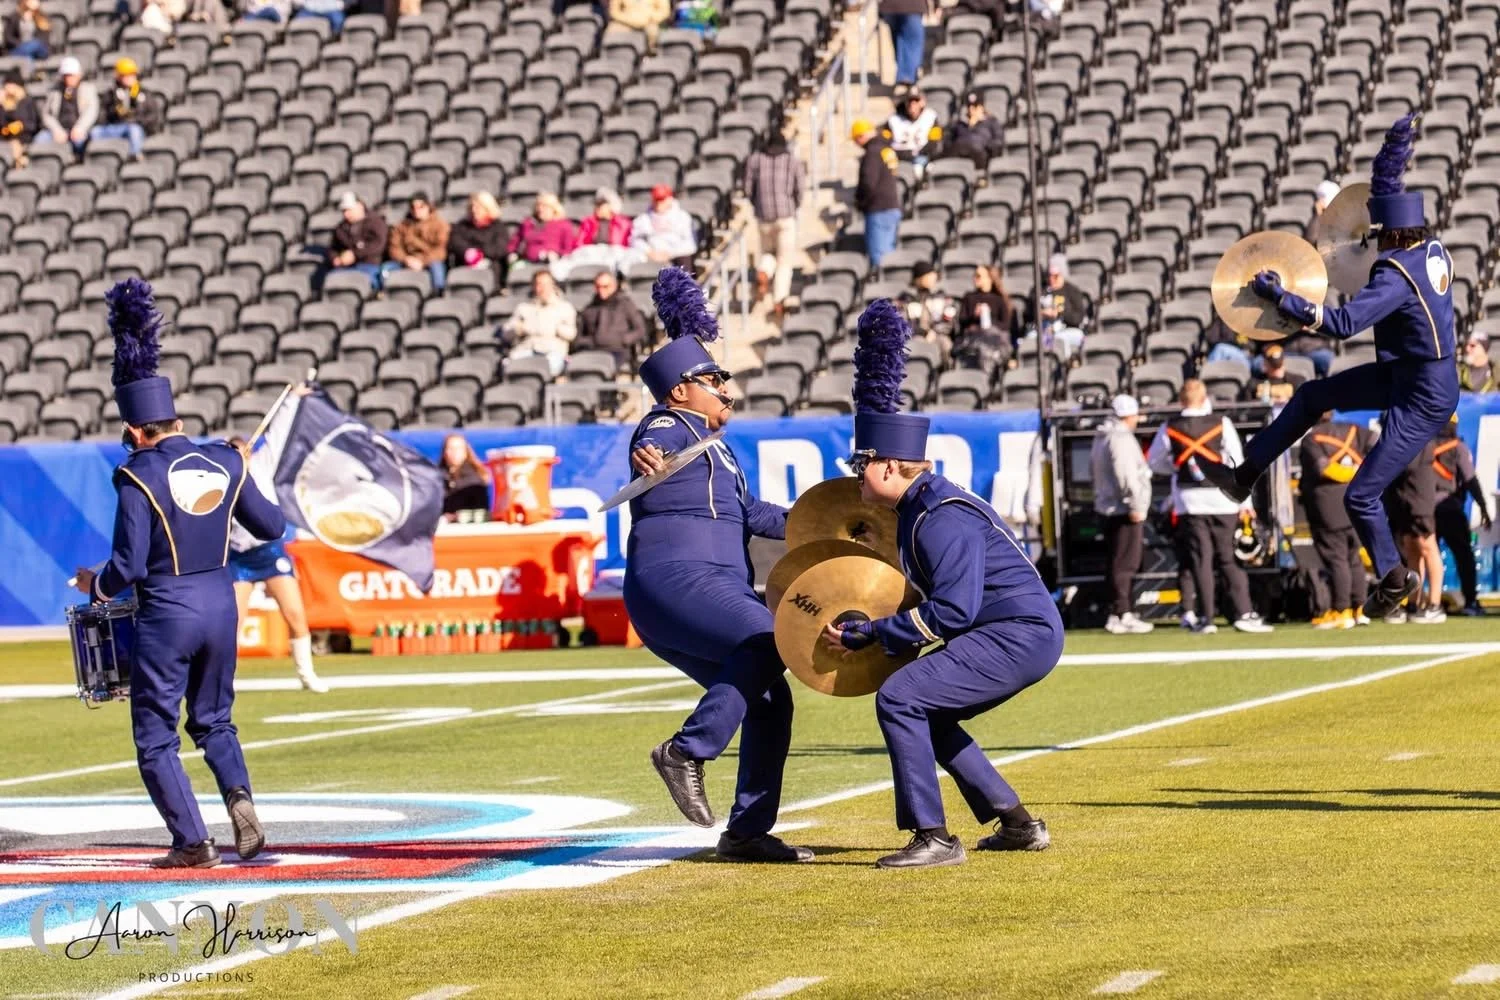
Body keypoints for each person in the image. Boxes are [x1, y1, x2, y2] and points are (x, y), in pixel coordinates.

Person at [824, 298, 1059, 869]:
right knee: (929, 709)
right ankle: (1017, 823)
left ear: (886, 467)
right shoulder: (919, 509)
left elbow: (952, 611)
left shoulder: (939, 515)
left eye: (860, 466)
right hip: (1013, 630)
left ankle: (933, 836)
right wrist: (873, 624)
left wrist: (877, 635)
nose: (855, 478)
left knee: (901, 697)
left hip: (1016, 632)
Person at [1198, 114, 1461, 622]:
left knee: (1362, 494)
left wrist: (1281, 297)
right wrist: (1394, 149)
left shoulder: (1395, 277)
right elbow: (1388, 191)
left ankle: (1393, 578)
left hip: (1422, 395)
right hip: (1411, 373)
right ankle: (1245, 473)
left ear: (1389, 234)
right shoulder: (1429, 248)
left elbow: (1340, 324)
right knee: (1311, 397)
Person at [72, 279, 285, 868]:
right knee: (216, 720)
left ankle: (193, 842)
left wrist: (95, 586)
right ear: (175, 417)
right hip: (221, 603)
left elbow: (128, 566)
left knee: (155, 736)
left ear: (136, 430)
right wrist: (247, 470)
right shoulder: (222, 457)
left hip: (167, 615)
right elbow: (273, 527)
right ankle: (239, 797)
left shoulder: (136, 472)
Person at [626, 266, 810, 864]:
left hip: (701, 587)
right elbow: (651, 448)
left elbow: (753, 513)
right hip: (678, 579)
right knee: (772, 636)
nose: (726, 389)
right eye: (714, 378)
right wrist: (647, 455)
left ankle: (747, 832)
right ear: (680, 389)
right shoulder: (668, 425)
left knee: (769, 700)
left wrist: (831, 522)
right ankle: (686, 751)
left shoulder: (720, 448)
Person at [1148, 379, 1274, 634]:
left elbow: (1154, 462)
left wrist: (1175, 469)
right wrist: (1246, 502)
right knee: (1229, 559)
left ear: (1181, 400)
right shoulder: (1221, 422)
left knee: (1200, 560)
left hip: (1189, 502)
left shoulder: (1169, 427)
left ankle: (1206, 618)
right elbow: (1239, 463)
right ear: (1205, 398)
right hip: (1223, 498)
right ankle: (1244, 613)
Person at [226, 431, 329, 694]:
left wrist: (292, 398)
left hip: (269, 552)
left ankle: (306, 673)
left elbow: (278, 433)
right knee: (232, 622)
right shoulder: (223, 480)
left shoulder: (262, 466)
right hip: (239, 555)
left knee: (295, 613)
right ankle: (225, 678)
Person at [1297, 412, 1374, 630]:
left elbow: (1325, 468)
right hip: (1355, 501)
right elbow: (1379, 445)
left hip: (1327, 504)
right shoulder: (1354, 430)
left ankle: (1342, 610)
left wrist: (1352, 473)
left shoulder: (1312, 438)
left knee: (1337, 558)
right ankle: (1360, 608)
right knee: (1353, 557)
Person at [1092, 394, 1154, 635]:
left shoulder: (1102, 435)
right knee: (1125, 563)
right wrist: (1135, 504)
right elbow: (1125, 475)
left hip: (1109, 506)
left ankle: (1118, 611)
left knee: (1117, 562)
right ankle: (1122, 613)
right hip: (1123, 509)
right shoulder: (1120, 438)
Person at [1432, 415, 1493, 616]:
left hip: (1423, 510)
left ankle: (1419, 603)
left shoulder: (1421, 447)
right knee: (1464, 556)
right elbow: (1470, 480)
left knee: (1422, 557)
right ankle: (1470, 601)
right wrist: (1483, 506)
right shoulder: (1457, 447)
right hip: (1450, 509)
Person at [743, 124, 805, 309]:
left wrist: (757, 205)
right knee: (785, 260)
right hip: (786, 216)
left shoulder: (754, 160)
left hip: (764, 216)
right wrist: (794, 206)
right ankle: (779, 298)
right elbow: (799, 189)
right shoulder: (792, 160)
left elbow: (747, 188)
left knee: (768, 253)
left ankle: (763, 272)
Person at [1384, 436, 1443, 624]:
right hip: (1405, 501)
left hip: (1419, 501)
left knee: (1428, 547)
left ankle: (1435, 604)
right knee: (1411, 550)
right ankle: (1413, 603)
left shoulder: (1421, 438)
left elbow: (1406, 465)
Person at [502, 269, 577, 376]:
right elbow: (506, 333)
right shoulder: (524, 308)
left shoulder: (564, 308)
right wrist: (520, 329)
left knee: (549, 367)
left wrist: (556, 328)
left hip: (552, 352)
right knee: (508, 365)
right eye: (539, 284)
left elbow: (572, 334)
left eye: (546, 284)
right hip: (526, 349)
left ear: (553, 285)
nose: (542, 288)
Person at [852, 117, 901, 268]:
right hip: (892, 206)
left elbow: (868, 182)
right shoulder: (886, 148)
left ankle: (883, 291)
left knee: (878, 258)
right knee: (889, 255)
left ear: (861, 136)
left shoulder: (872, 152)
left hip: (878, 209)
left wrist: (860, 201)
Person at [576, 268, 648, 367]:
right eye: (598, 287)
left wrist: (624, 340)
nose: (601, 290)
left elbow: (640, 330)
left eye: (605, 286)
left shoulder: (625, 304)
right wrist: (592, 341)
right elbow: (579, 337)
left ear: (614, 286)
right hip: (594, 351)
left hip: (618, 351)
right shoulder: (589, 308)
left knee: (607, 368)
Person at [1025, 253, 1088, 360]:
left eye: (1055, 276)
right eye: (1049, 275)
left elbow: (1078, 318)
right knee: (1029, 339)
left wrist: (1059, 312)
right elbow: (1028, 315)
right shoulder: (1039, 291)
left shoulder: (1072, 291)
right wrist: (1041, 313)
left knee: (1066, 339)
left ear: (1062, 274)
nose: (1051, 279)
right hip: (1042, 331)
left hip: (1066, 330)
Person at [383, 192, 450, 291]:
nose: (416, 210)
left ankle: (438, 293)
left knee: (437, 268)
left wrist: (422, 261)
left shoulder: (439, 225)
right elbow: (394, 247)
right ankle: (384, 293)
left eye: (421, 207)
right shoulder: (402, 226)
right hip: (407, 260)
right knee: (386, 269)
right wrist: (406, 259)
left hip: (429, 260)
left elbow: (440, 250)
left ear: (428, 207)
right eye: (413, 207)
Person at [89, 58, 151, 161]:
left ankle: (134, 156)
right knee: (95, 132)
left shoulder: (144, 94)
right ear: (119, 76)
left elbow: (152, 116)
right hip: (115, 126)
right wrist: (114, 110)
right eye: (126, 75)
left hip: (134, 126)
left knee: (134, 130)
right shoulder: (111, 94)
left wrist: (137, 120)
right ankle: (97, 158)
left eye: (131, 75)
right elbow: (103, 114)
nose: (129, 78)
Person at [953, 265, 1012, 370]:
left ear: (989, 278)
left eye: (979, 276)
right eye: (975, 275)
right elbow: (962, 321)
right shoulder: (969, 297)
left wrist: (989, 320)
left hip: (993, 338)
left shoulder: (999, 300)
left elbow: (1006, 325)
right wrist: (974, 316)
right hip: (973, 338)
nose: (975, 278)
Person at [37, 57, 98, 157]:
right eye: (66, 75)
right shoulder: (54, 91)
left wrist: (80, 127)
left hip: (79, 129)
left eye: (71, 75)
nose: (68, 78)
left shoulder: (88, 89)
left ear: (79, 75)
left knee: (81, 143)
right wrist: (56, 129)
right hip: (59, 130)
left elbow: (91, 110)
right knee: (40, 140)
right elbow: (46, 114)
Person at [326, 191, 387, 289]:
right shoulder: (341, 228)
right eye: (344, 211)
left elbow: (378, 245)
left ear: (360, 206)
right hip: (345, 267)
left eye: (349, 210)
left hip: (369, 264)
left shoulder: (376, 223)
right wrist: (336, 258)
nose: (346, 214)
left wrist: (355, 254)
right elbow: (333, 247)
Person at [898, 261, 954, 360]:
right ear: (919, 278)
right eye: (929, 275)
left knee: (946, 344)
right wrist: (922, 333)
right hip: (915, 336)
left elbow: (948, 321)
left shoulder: (941, 296)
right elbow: (901, 323)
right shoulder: (906, 299)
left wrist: (934, 332)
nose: (934, 277)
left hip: (938, 335)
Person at [629, 184, 697, 265]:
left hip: (675, 255)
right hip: (651, 255)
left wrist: (670, 253)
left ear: (670, 199)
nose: (659, 203)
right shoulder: (643, 218)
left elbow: (690, 245)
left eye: (662, 199)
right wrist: (649, 252)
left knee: (684, 259)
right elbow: (634, 240)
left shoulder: (682, 217)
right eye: (656, 199)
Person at [448, 190, 508, 277]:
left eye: (478, 207)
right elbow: (455, 242)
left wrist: (480, 253)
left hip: (490, 264)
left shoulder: (498, 226)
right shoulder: (462, 226)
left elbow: (500, 248)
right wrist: (469, 253)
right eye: (472, 207)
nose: (474, 210)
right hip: (466, 264)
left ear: (487, 208)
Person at [509, 191, 578, 264]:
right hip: (526, 261)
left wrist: (556, 254)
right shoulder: (527, 223)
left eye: (544, 206)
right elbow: (514, 242)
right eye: (538, 205)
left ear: (554, 208)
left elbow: (568, 250)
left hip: (552, 263)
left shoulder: (564, 225)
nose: (540, 209)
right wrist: (512, 253)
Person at [944, 91, 1003, 169]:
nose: (971, 109)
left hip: (980, 158)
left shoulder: (991, 122)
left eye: (975, 106)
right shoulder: (959, 124)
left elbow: (998, 142)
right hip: (958, 157)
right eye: (969, 106)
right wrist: (969, 125)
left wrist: (984, 146)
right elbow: (948, 142)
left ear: (982, 107)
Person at [439, 433, 491, 519]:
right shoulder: (436, 478)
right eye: (451, 448)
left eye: (458, 449)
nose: (455, 453)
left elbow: (481, 511)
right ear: (444, 452)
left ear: (466, 452)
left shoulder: (475, 479)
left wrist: (457, 517)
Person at [880, 0, 927, 91]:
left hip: (889, 7)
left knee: (900, 39)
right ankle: (906, 78)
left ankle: (904, 76)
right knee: (913, 41)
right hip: (912, 6)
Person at [886, 90, 939, 168]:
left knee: (919, 166)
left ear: (922, 102)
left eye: (916, 101)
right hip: (898, 154)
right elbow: (885, 139)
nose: (912, 104)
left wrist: (918, 152)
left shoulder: (931, 116)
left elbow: (934, 141)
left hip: (920, 155)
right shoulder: (894, 119)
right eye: (910, 101)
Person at [1, 69, 39, 167]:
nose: (7, 87)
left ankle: (18, 164)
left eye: (10, 84)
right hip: (5, 137)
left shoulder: (27, 102)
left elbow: (34, 124)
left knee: (15, 143)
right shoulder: (3, 102)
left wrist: (21, 126)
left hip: (24, 137)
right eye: (6, 84)